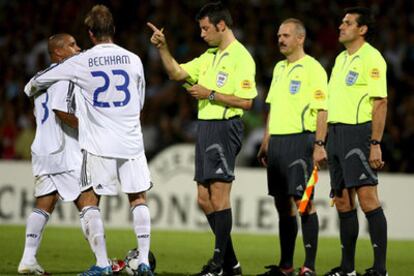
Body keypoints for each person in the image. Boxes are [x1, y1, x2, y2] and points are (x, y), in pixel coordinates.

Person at [25, 5, 153, 276]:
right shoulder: (134, 59)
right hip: (131, 140)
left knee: (89, 199)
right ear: (113, 30)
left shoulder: (82, 61)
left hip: (98, 144)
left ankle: (102, 264)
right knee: (138, 198)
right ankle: (142, 262)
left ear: (91, 33)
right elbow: (140, 103)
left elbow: (42, 79)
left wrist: (30, 87)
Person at [148, 2, 257, 276]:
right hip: (206, 128)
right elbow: (177, 73)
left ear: (222, 26)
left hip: (225, 127)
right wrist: (162, 48)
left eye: (205, 28)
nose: (201, 33)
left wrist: (211, 94)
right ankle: (232, 264)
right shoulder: (209, 56)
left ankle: (218, 264)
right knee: (203, 198)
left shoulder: (241, 57)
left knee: (220, 196)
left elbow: (246, 102)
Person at [256, 19, 328, 276]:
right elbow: (273, 106)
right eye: (278, 35)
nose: (280, 40)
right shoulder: (278, 68)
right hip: (277, 143)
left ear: (300, 38)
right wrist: (266, 140)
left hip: (301, 140)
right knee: (281, 203)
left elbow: (322, 110)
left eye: (286, 35)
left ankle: (308, 266)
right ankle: (286, 266)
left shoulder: (314, 69)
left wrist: (319, 144)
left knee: (304, 201)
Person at [324, 7, 388, 276]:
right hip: (335, 134)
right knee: (341, 201)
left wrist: (375, 142)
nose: (341, 26)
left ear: (362, 30)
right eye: (341, 22)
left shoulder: (372, 58)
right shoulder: (340, 58)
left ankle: (380, 270)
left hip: (358, 133)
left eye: (348, 23)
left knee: (367, 199)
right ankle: (347, 269)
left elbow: (380, 102)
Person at [17, 33, 82, 275]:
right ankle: (103, 261)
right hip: (62, 150)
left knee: (46, 202)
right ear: (59, 52)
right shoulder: (65, 76)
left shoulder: (39, 78)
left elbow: (27, 88)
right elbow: (60, 111)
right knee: (88, 202)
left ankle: (28, 259)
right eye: (72, 45)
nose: (78, 48)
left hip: (41, 148)